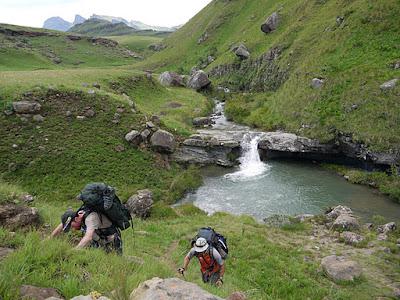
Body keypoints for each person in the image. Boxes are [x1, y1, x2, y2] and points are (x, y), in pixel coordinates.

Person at [50, 208, 123, 254]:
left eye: (72, 226)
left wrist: (73, 251)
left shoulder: (90, 219)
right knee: (98, 256)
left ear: (76, 219)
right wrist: (50, 238)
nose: (73, 228)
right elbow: (62, 225)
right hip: (100, 237)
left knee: (116, 260)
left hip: (112, 238)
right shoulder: (79, 213)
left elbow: (88, 237)